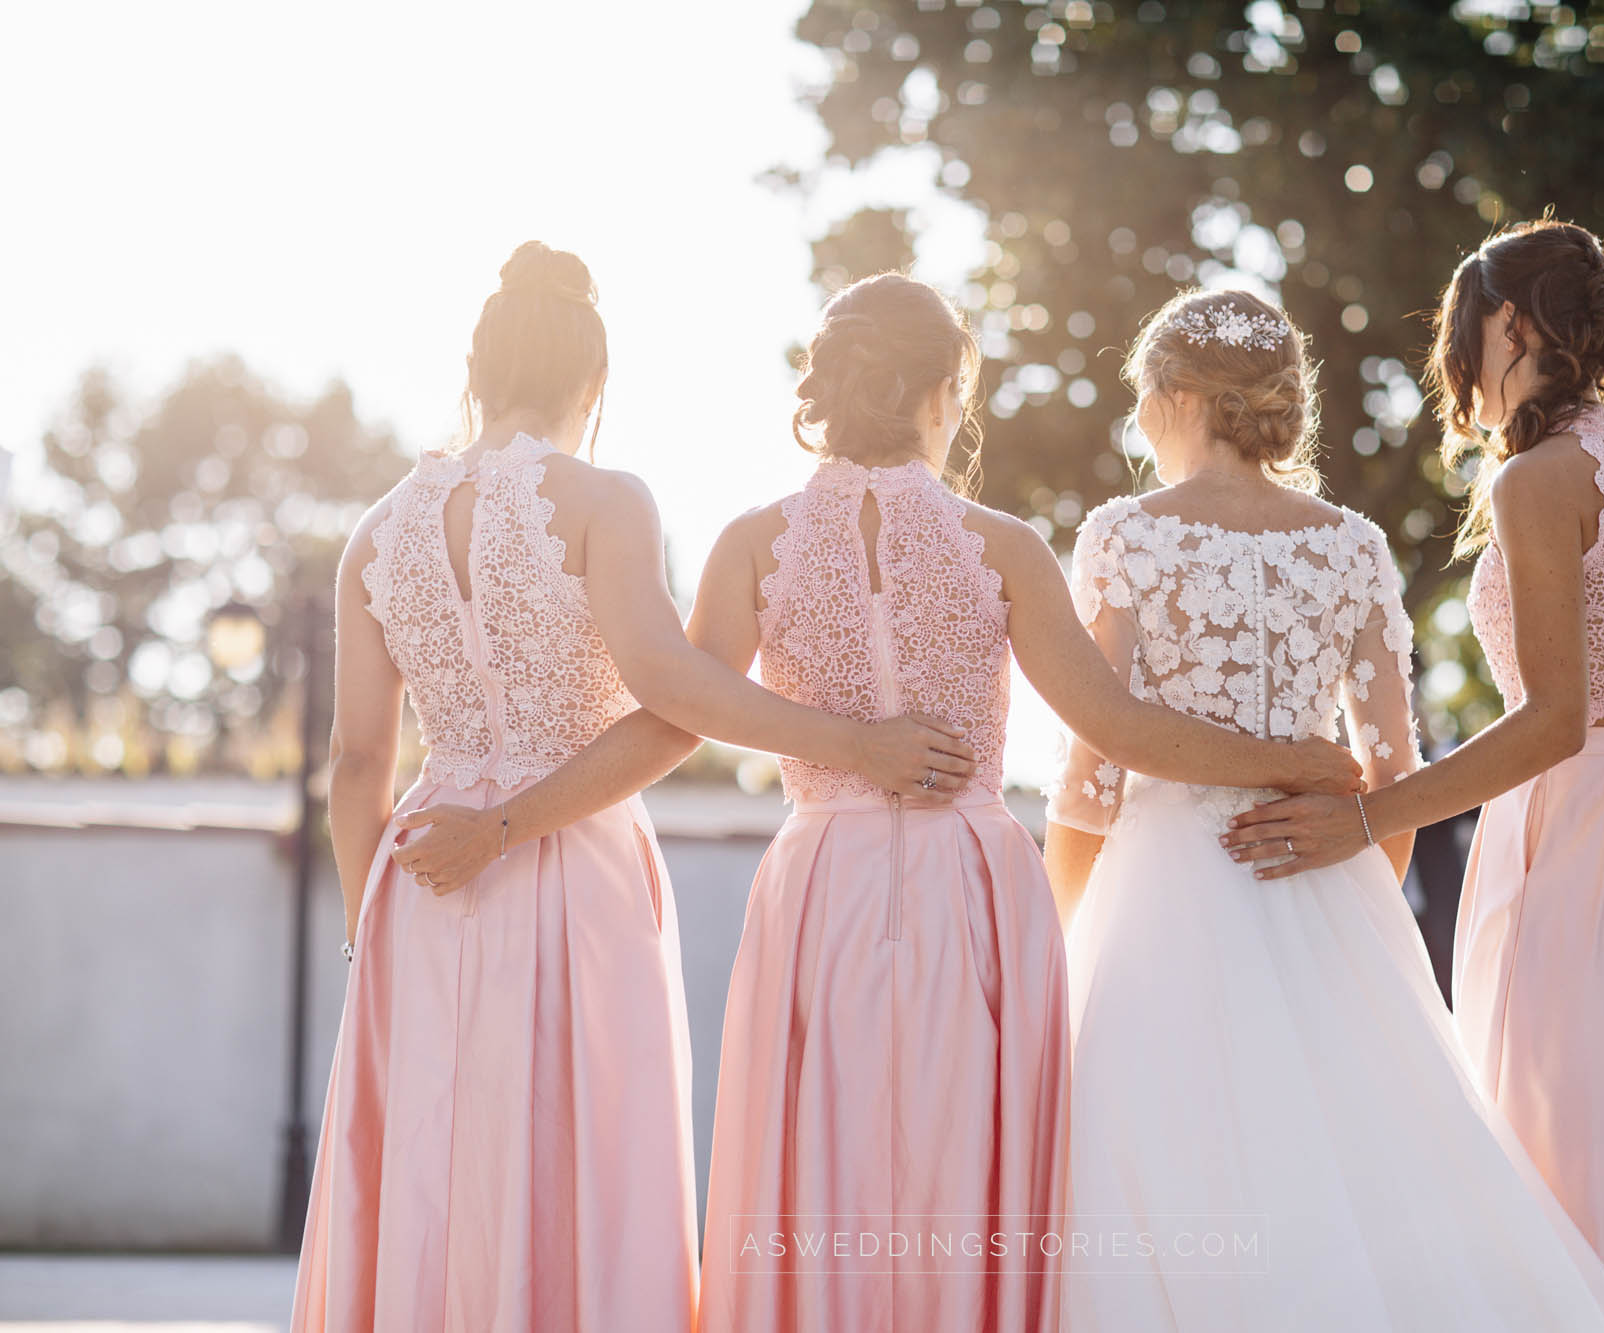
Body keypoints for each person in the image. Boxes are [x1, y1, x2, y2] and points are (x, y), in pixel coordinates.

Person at [394, 273, 1363, 1332]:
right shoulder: (1002, 545)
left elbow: (687, 704)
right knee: (960, 1166)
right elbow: (1116, 728)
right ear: (944, 392)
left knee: (821, 1166)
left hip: (820, 882)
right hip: (974, 883)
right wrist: (1290, 757)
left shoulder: (751, 542)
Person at [293, 243, 972, 1333]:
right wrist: (856, 739)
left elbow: (356, 764)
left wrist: (363, 925)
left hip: (417, 875)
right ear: (592, 383)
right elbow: (671, 693)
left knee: (435, 1160)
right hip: (571, 864)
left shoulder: (377, 531)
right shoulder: (605, 500)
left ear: (476, 373)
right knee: (585, 1148)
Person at [1219, 221, 1604, 1332]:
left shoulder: (1539, 479)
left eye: (1460, 339)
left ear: (1508, 325)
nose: (1460, 374)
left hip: (1576, 838)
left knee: (1562, 1162)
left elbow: (1549, 722)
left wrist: (1364, 818)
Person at [1044, 288, 1604, 1331]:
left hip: (1159, 902)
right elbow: (1389, 766)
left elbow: (1090, 773)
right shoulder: (1351, 545)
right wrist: (1352, 906)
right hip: (1325, 886)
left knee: (1167, 1178)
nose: (1140, 420)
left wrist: (1070, 927)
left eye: (1143, 397)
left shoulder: (1124, 534)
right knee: (1355, 1178)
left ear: (1178, 396)